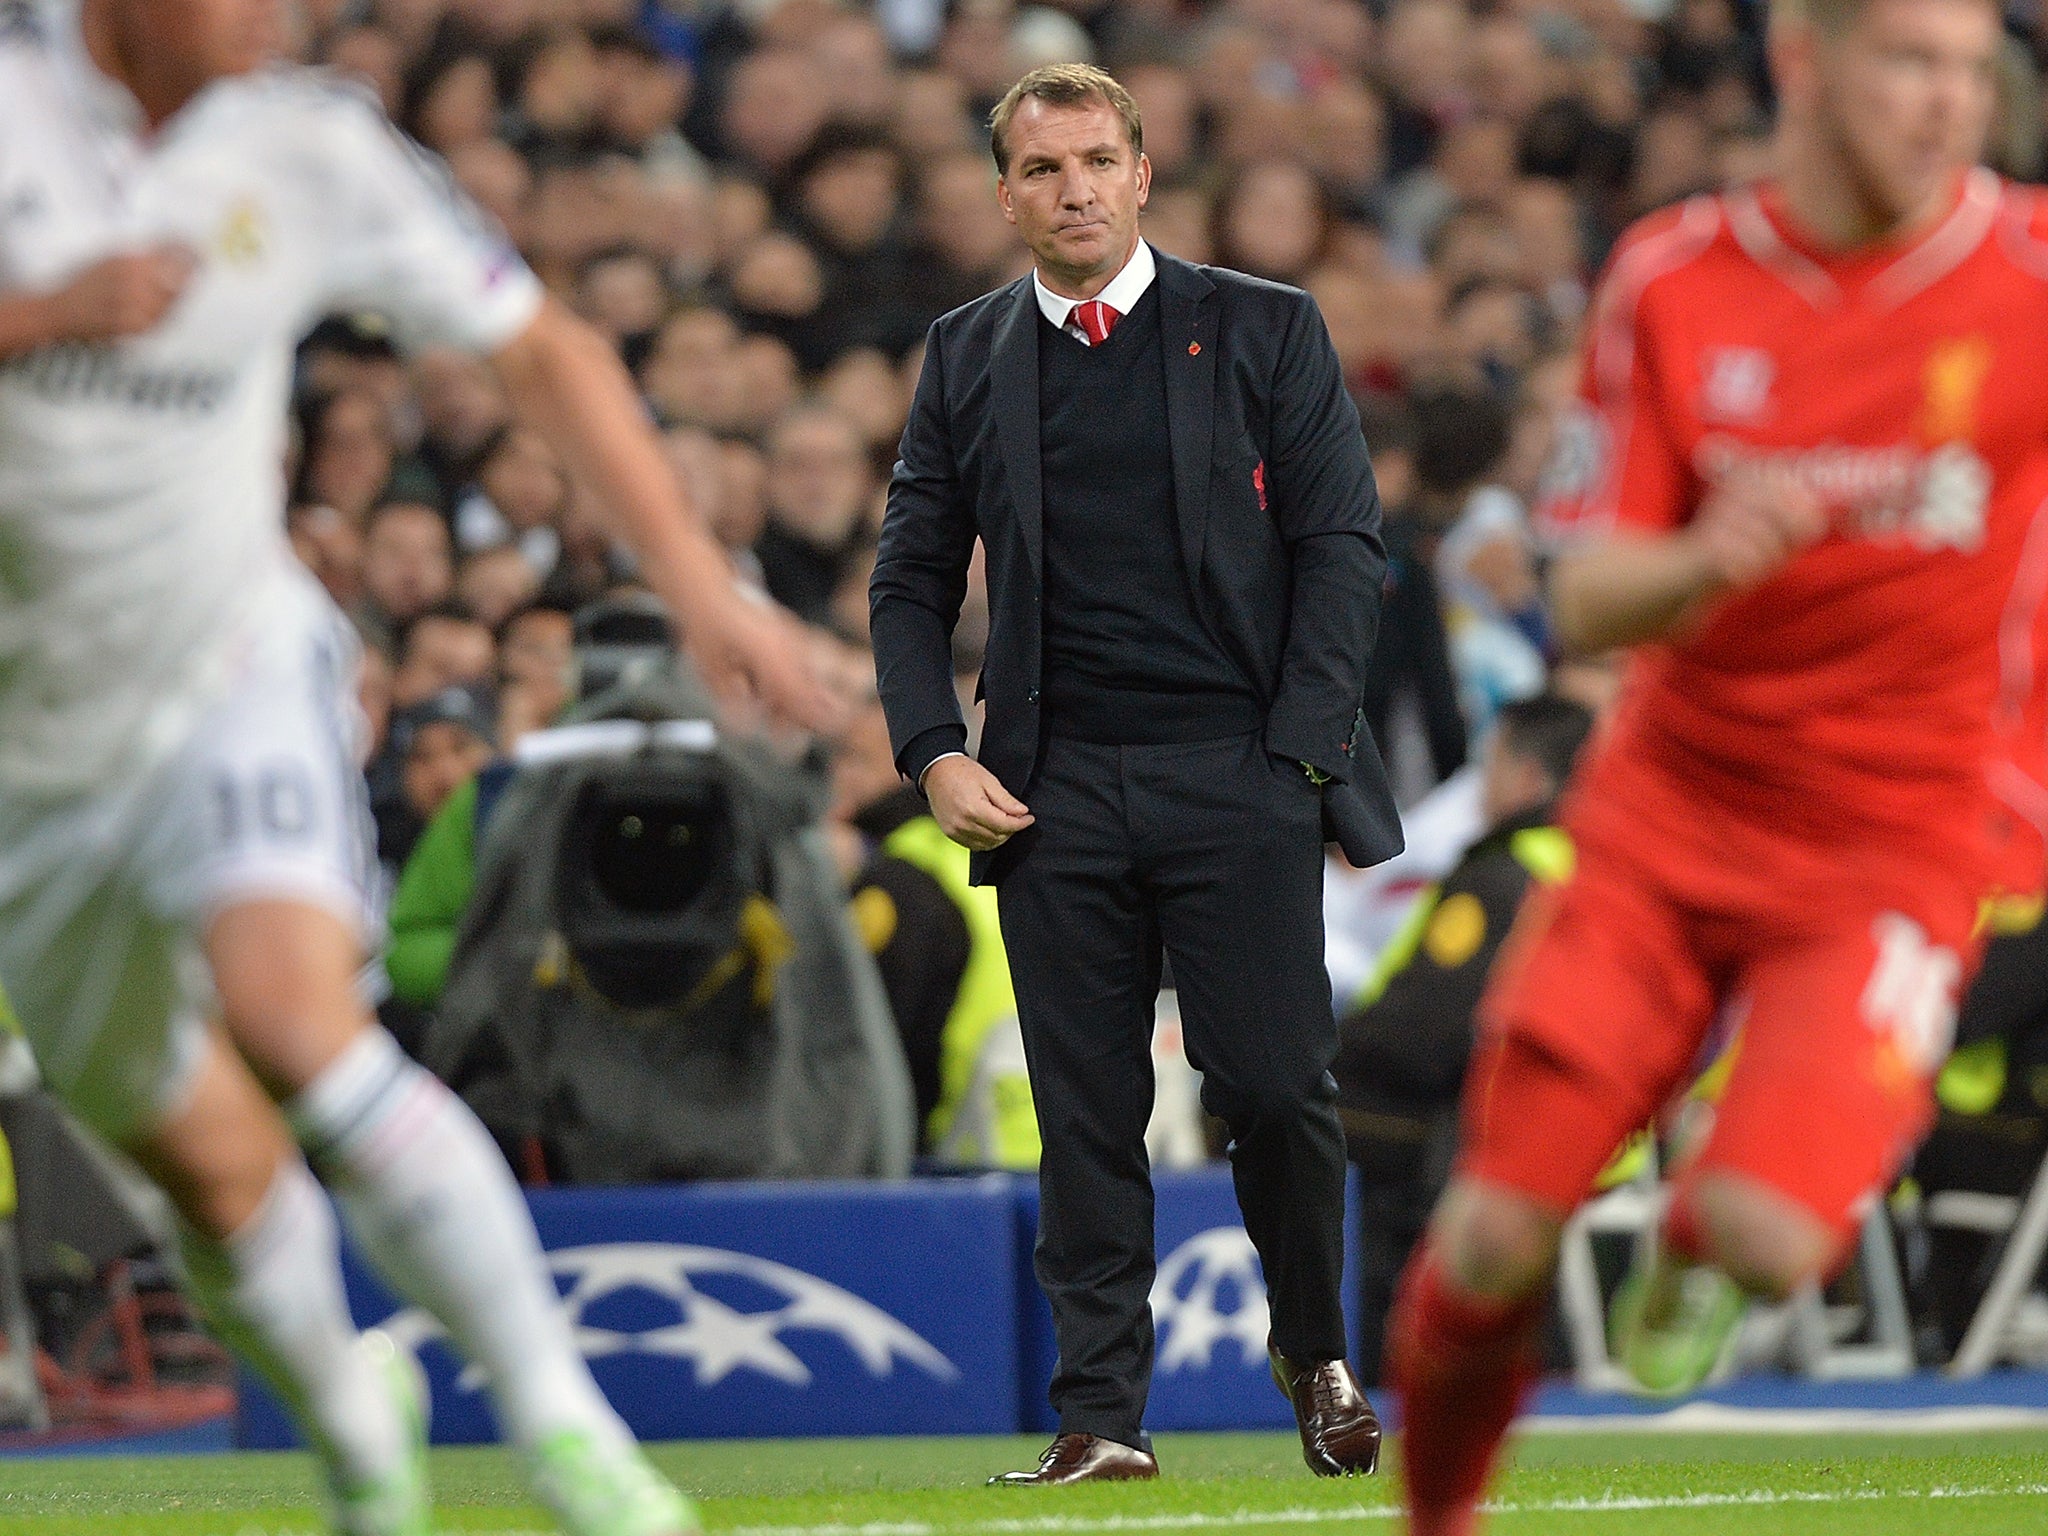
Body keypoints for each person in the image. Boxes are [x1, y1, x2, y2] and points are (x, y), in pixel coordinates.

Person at [0, 2, 833, 1533]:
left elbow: (542, 347)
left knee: (294, 1016)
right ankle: (354, 1422)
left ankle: (568, 1432)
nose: (271, 16)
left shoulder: (306, 145)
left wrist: (707, 587)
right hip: (25, 764)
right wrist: (35, 321)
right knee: (205, 1164)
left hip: (223, 667)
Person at [1385, 0, 2048, 1529]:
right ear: (1801, 65)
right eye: (1907, 61)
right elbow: (1583, 593)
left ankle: (1693, 1243)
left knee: (1763, 1235)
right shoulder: (1673, 277)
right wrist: (1699, 565)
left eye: (1968, 70)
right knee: (1489, 1238)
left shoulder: (2022, 274)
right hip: (1668, 823)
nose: (1946, 102)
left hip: (1901, 836)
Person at [870, 62, 1402, 1486]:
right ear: (1004, 195)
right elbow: (910, 578)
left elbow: (1345, 544)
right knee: (1084, 1112)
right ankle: (1103, 1414)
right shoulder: (966, 353)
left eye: (1096, 160)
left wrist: (1300, 747)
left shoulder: (1265, 327)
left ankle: (1315, 1348)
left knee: (1280, 1088)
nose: (1074, 190)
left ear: (1145, 173)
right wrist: (931, 752)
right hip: (1054, 789)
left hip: (1238, 768)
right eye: (1041, 170)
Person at [1332, 693, 1594, 1382]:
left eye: (1492, 764)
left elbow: (1426, 1029)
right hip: (1584, 1120)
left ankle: (1365, 1356)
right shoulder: (1592, 865)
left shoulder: (1502, 878)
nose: (1484, 784)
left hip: (1475, 1127)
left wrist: (1324, 1064)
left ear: (1528, 779)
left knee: (1304, 1120)